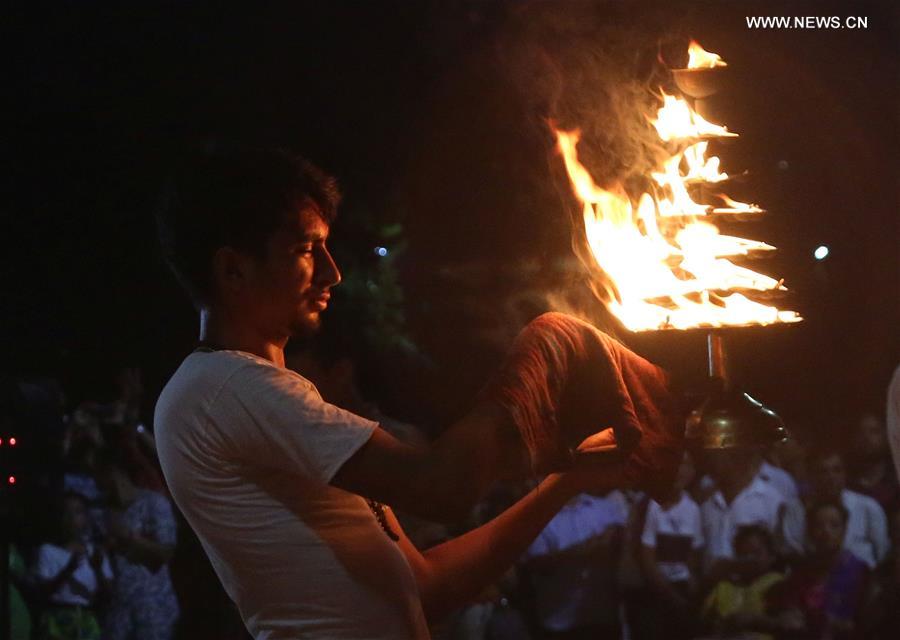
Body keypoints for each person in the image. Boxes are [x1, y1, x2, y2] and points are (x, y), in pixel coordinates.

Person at [153, 148, 658, 639]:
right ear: (233, 270)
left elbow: (426, 588)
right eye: (306, 250)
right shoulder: (224, 389)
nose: (333, 272)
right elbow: (442, 488)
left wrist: (565, 483)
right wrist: (547, 344)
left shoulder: (252, 395)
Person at [94, 449, 179, 640]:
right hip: (117, 610)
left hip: (153, 608)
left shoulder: (154, 504)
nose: (96, 481)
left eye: (99, 473)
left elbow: (165, 553)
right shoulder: (101, 513)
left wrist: (129, 537)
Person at [520, 490, 627, 639]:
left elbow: (625, 544)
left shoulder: (605, 508)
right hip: (560, 622)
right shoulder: (537, 517)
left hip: (604, 618)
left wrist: (616, 536)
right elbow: (538, 565)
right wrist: (581, 550)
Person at [770, 500, 877, 639]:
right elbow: (788, 612)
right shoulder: (799, 571)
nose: (826, 531)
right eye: (819, 525)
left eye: (834, 525)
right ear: (809, 531)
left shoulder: (861, 572)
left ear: (844, 530)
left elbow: (866, 625)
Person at [781, 448, 889, 569]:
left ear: (845, 473)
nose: (831, 477)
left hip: (863, 580)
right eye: (823, 471)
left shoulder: (868, 507)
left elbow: (882, 552)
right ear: (810, 475)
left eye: (836, 470)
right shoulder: (795, 509)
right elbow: (792, 551)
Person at [637, 452, 703, 640]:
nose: (680, 471)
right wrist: (671, 596)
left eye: (686, 465)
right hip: (654, 592)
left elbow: (693, 555)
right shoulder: (650, 505)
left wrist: (691, 590)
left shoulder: (693, 509)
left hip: (681, 591)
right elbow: (646, 557)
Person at [33, 492, 113, 640]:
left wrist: (98, 569)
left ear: (86, 518)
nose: (71, 518)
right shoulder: (48, 551)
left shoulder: (95, 553)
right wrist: (68, 570)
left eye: (77, 512)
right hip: (56, 620)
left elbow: (108, 595)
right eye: (66, 512)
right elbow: (42, 592)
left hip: (87, 620)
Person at [699, 447, 786, 579]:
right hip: (709, 590)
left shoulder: (771, 500)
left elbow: (780, 551)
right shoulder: (705, 500)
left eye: (723, 456)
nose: (715, 462)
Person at [701, 525, 784, 640]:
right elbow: (702, 619)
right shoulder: (724, 585)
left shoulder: (778, 583)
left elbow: (788, 624)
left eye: (756, 553)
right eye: (742, 554)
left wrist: (756, 620)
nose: (749, 559)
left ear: (771, 556)